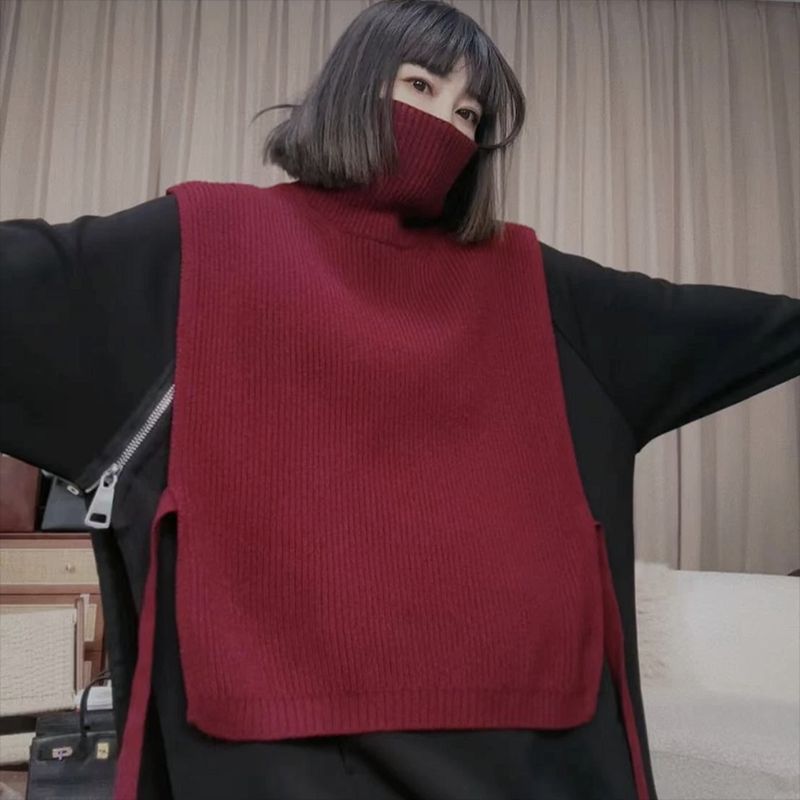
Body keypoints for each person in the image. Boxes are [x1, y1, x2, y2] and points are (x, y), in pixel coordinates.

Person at [1, 1, 798, 799]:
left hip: (516, 746)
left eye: (469, 113)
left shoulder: (533, 283)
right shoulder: (203, 240)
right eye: (420, 85)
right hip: (267, 751)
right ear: (354, 85)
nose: (445, 124)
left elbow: (700, 323)